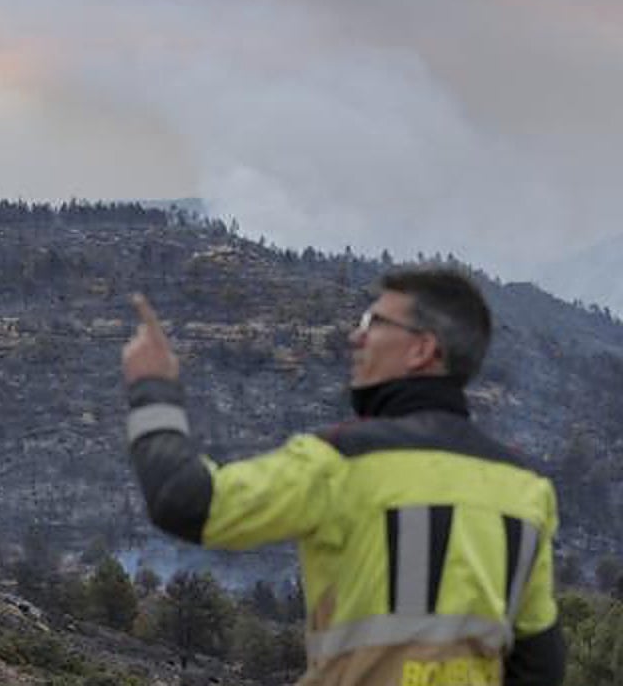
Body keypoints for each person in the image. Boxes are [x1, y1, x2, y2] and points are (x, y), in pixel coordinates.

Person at [123, 268, 563, 685]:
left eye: (373, 321)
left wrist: (153, 389)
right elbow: (540, 663)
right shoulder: (526, 489)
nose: (356, 336)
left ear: (421, 349)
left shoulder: (340, 463)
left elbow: (182, 500)